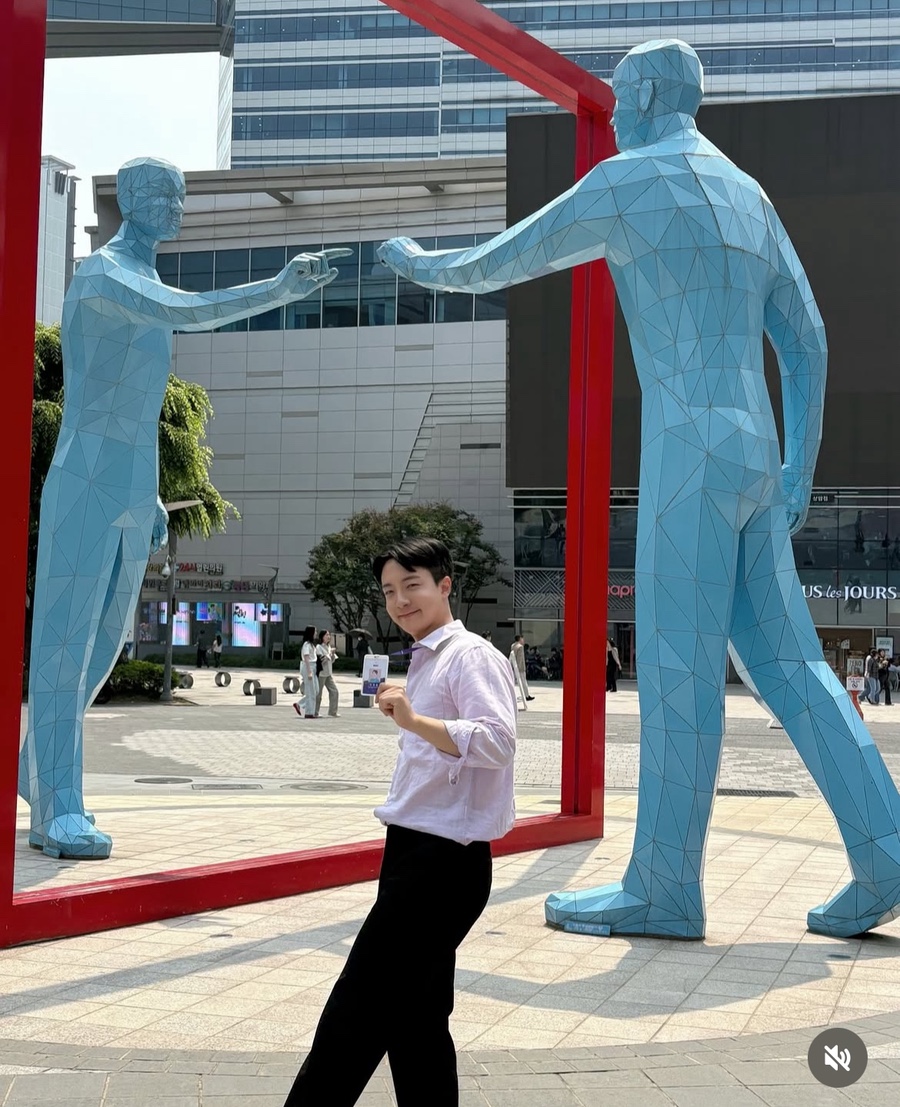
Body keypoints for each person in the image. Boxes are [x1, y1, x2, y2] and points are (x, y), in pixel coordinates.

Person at [380, 40, 900, 939]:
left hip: (687, 450)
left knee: (676, 674)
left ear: (654, 96)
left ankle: (664, 886)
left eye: (623, 97)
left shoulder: (631, 181)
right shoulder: (748, 193)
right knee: (793, 666)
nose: (616, 114)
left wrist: (421, 263)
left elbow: (508, 257)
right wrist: (798, 470)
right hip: (755, 452)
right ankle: (886, 849)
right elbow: (808, 339)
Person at [18, 155, 347, 860]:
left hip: (130, 491)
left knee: (102, 649)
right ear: (131, 199)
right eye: (165, 194)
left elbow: (137, 411)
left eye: (181, 195)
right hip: (84, 482)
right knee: (64, 648)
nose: (178, 206)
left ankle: (34, 770)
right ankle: (57, 808)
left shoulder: (142, 278)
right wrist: (277, 288)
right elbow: (187, 312)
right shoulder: (104, 275)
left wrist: (148, 498)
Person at [283, 538, 516, 1107]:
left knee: (356, 1011)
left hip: (442, 864)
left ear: (445, 585)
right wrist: (415, 719)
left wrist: (415, 720)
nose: (400, 601)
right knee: (417, 1021)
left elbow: (498, 741)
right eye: (389, 591)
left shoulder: (470, 655)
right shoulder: (427, 659)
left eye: (412, 585)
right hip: (415, 853)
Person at [294, 626, 319, 718]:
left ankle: (300, 704)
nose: (316, 633)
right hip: (308, 666)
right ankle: (309, 712)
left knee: (316, 690)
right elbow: (306, 658)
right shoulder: (306, 644)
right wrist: (309, 672)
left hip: (313, 666)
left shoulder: (312, 644)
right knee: (310, 691)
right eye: (315, 631)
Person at [315, 630, 340, 718]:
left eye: (329, 635)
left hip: (328, 673)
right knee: (318, 694)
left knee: (334, 691)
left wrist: (332, 654)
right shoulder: (319, 647)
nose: (328, 637)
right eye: (326, 635)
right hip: (321, 674)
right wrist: (329, 654)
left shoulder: (328, 646)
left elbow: (331, 661)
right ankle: (315, 712)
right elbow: (322, 660)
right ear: (322, 637)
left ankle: (333, 711)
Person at [509, 634, 534, 701]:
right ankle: (527, 695)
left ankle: (512, 695)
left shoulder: (513, 645)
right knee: (523, 682)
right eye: (522, 639)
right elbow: (520, 658)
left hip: (514, 666)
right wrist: (519, 667)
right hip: (520, 667)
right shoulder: (520, 647)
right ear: (520, 639)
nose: (523, 640)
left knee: (514, 681)